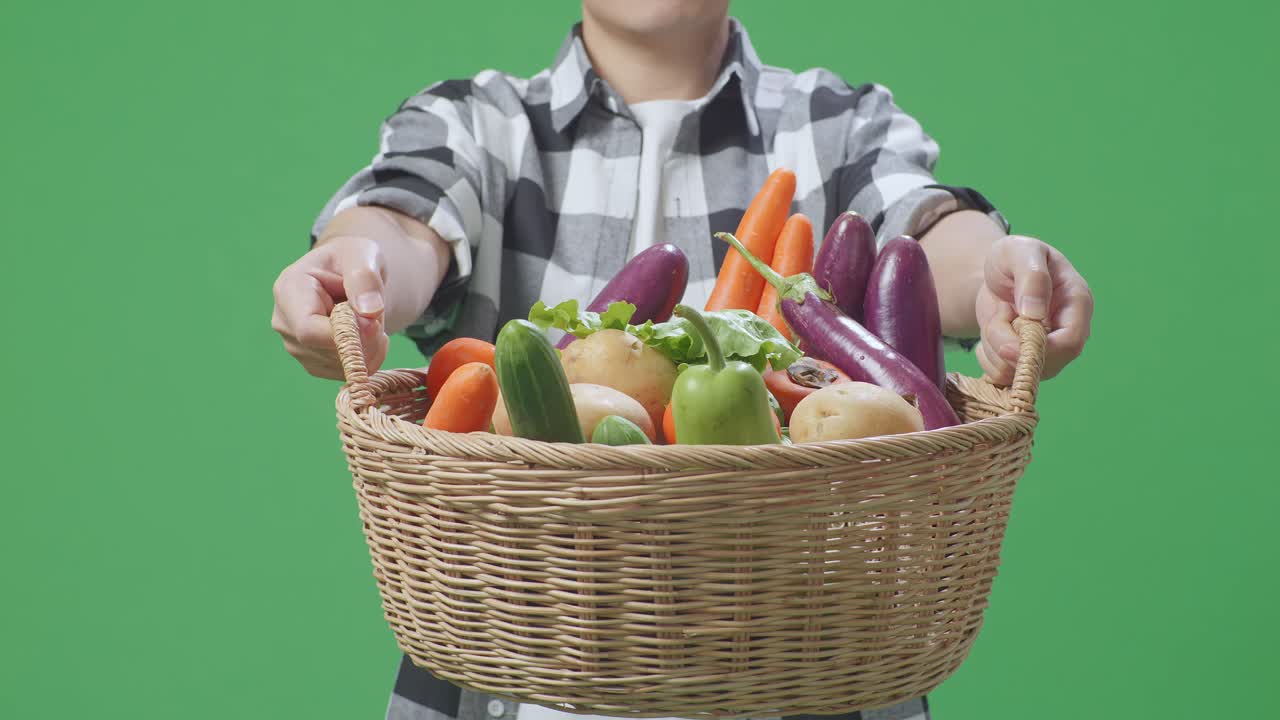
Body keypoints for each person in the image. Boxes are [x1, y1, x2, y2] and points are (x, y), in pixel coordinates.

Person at [271, 2, 1094, 718]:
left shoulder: (834, 124)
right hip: (513, 686)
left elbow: (922, 223)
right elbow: (402, 221)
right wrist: (359, 268)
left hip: (802, 665)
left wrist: (994, 270)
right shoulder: (477, 124)